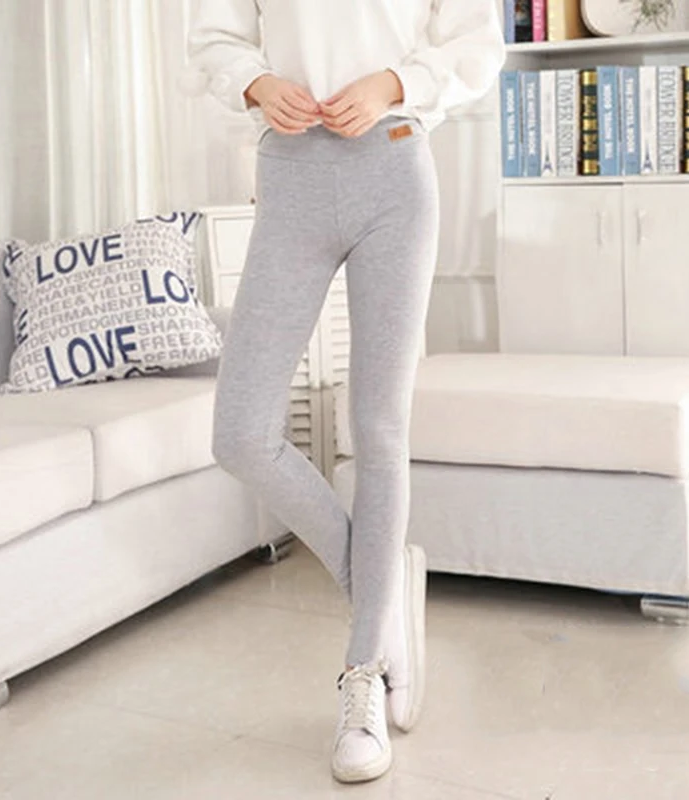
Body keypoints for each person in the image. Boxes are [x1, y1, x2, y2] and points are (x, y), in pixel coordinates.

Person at [187, 0, 505, 784]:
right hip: (289, 174)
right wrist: (258, 82)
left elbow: (477, 42)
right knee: (240, 433)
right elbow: (213, 36)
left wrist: (394, 81)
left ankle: (364, 674)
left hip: (392, 164)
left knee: (379, 428)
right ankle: (385, 589)